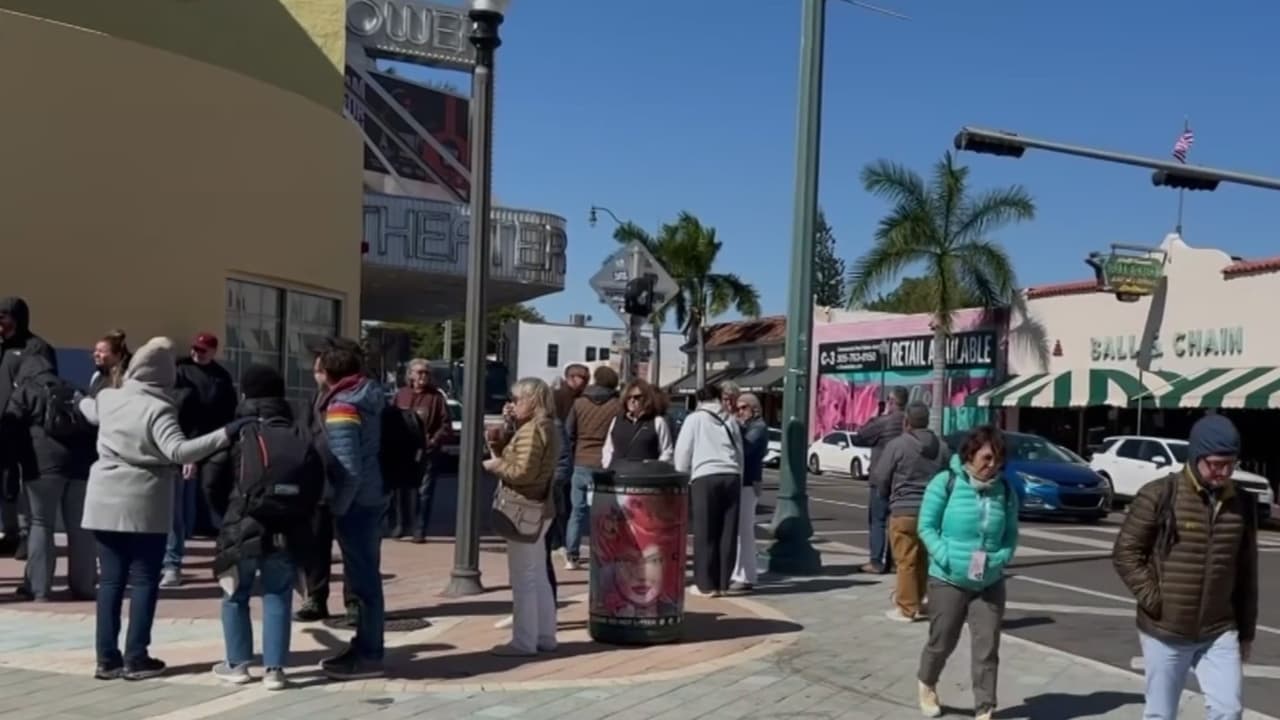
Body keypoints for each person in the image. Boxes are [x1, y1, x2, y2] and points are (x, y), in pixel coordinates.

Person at [78, 336, 244, 681]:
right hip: (144, 501)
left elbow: (89, 411)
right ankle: (136, 658)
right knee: (143, 581)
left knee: (109, 582)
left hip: (102, 498)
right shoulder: (159, 409)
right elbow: (180, 451)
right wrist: (225, 434)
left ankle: (106, 660)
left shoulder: (108, 397)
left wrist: (77, 399)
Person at [1113, 414, 1257, 720]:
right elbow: (1126, 552)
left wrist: (1246, 632)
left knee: (1228, 710)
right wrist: (1155, 599)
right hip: (1165, 630)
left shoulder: (1241, 503)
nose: (1224, 472)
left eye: (1230, 464)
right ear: (1196, 457)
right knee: (1161, 714)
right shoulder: (1160, 494)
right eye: (1216, 464)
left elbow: (1246, 572)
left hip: (1219, 630)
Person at [206, 364, 323, 691]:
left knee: (235, 594)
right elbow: (316, 481)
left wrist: (227, 513)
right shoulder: (298, 431)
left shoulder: (239, 430)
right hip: (287, 524)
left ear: (245, 394)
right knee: (278, 595)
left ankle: (238, 664)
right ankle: (275, 671)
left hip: (243, 521)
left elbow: (211, 480)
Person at [915, 425, 1019, 720]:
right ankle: (927, 682)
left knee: (987, 647)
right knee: (942, 641)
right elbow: (926, 526)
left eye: (998, 460)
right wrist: (945, 556)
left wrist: (1000, 559)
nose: (992, 466)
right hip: (948, 578)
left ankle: (985, 708)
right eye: (987, 458)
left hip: (989, 582)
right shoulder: (945, 482)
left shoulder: (1005, 491)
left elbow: (1011, 535)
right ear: (970, 455)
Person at [313, 338, 387, 681]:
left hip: (357, 501)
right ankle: (368, 645)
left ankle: (369, 652)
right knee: (368, 575)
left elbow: (349, 468)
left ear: (328, 373)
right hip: (375, 494)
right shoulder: (371, 394)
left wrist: (337, 507)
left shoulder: (343, 406)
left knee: (363, 580)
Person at [4, 354, 96, 601]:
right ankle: (84, 586)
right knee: (80, 527)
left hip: (42, 466)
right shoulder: (75, 389)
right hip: (80, 466)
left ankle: (38, 588)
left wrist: (12, 466)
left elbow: (9, 431)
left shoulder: (25, 392)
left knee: (40, 524)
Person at [482, 377, 560, 656]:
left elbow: (522, 472)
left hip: (523, 508)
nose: (513, 404)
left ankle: (524, 641)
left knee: (524, 577)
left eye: (517, 399)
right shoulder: (546, 426)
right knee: (538, 574)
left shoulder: (532, 430)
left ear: (533, 400)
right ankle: (545, 636)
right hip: (541, 507)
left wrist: (495, 464)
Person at [164, 332, 237, 587]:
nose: (197, 353)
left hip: (213, 447)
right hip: (180, 445)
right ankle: (172, 562)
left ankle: (221, 558)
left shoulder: (221, 378)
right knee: (177, 509)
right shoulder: (180, 371)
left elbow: (227, 413)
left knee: (203, 504)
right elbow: (177, 411)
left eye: (203, 350)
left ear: (213, 351)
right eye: (195, 348)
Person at [294, 339, 359, 625]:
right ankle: (316, 597)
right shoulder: (314, 399)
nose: (315, 372)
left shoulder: (353, 398)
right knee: (315, 546)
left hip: (348, 484)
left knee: (353, 548)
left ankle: (354, 603)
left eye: (319, 368)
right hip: (318, 484)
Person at [871, 401, 949, 622]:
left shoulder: (899, 445)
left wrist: (886, 496)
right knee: (924, 558)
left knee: (906, 561)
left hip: (904, 509)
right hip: (932, 511)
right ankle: (921, 598)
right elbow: (947, 478)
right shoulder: (942, 447)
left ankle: (907, 608)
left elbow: (881, 476)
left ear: (907, 422)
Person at [673, 383, 743, 598]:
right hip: (731, 476)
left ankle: (706, 585)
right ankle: (723, 582)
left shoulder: (694, 419)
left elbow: (683, 451)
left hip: (705, 476)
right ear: (718, 398)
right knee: (727, 532)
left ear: (699, 399)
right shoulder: (730, 419)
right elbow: (738, 451)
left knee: (705, 532)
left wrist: (681, 474)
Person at [0, 297, 57, 559]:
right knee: (4, 482)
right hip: (3, 425)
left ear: (17, 318)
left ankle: (25, 535)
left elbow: (45, 386)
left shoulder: (37, 347)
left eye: (4, 316)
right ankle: (8, 533)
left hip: (24, 427)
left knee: (24, 481)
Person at [563, 365, 622, 570]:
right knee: (605, 512)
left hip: (581, 461)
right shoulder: (617, 405)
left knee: (576, 511)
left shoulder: (579, 403)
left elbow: (568, 432)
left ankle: (571, 555)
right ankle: (604, 551)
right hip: (605, 464)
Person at [391, 359, 451, 543]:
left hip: (427, 452)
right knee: (400, 490)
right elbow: (390, 419)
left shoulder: (436, 398)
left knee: (424, 491)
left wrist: (433, 441)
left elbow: (445, 424)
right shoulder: (400, 395)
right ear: (410, 374)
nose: (423, 376)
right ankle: (401, 525)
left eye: (426, 373)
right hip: (403, 452)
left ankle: (420, 528)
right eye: (419, 372)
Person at [850, 386, 908, 575]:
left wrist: (876, 415)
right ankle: (893, 562)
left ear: (891, 402)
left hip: (881, 478)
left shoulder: (884, 421)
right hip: (902, 480)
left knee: (878, 521)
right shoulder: (909, 423)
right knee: (896, 521)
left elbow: (860, 437)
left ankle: (876, 561)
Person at [547, 364, 588, 565]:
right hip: (563, 455)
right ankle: (558, 541)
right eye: (582, 377)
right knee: (562, 502)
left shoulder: (580, 399)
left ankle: (559, 541)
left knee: (564, 502)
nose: (585, 382)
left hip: (567, 455)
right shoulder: (559, 397)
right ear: (570, 377)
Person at [730, 392, 768, 594]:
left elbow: (745, 449)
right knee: (738, 531)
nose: (739, 412)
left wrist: (734, 427)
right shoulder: (747, 427)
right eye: (738, 408)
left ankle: (745, 575)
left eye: (743, 407)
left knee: (744, 532)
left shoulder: (758, 428)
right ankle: (741, 572)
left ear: (754, 408)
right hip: (742, 482)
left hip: (748, 483)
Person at [601, 378, 674, 468]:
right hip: (618, 475)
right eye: (629, 397)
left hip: (645, 477)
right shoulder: (617, 420)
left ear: (646, 399)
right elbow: (608, 448)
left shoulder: (657, 422)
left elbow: (667, 451)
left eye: (637, 397)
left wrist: (654, 468)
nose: (632, 400)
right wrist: (607, 465)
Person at [89, 330, 132, 397]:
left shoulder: (129, 377)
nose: (96, 354)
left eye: (101, 351)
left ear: (117, 355)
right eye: (96, 350)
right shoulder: (96, 377)